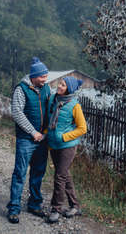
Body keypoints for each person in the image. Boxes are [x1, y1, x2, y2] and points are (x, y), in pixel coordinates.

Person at [6, 57, 51, 224]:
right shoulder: (21, 89)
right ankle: (14, 209)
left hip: (42, 139)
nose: (45, 79)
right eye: (42, 77)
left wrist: (45, 132)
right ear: (33, 76)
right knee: (20, 173)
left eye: (46, 76)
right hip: (27, 139)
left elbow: (51, 108)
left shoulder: (46, 88)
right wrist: (33, 132)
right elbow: (17, 112)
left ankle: (34, 204)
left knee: (38, 172)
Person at [46, 76, 87, 223]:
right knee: (65, 175)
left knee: (60, 176)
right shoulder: (53, 100)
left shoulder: (74, 105)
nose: (59, 86)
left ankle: (56, 209)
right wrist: (46, 134)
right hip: (53, 144)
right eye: (60, 84)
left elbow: (82, 128)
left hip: (67, 146)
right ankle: (75, 206)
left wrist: (64, 137)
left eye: (63, 85)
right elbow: (48, 118)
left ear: (68, 89)